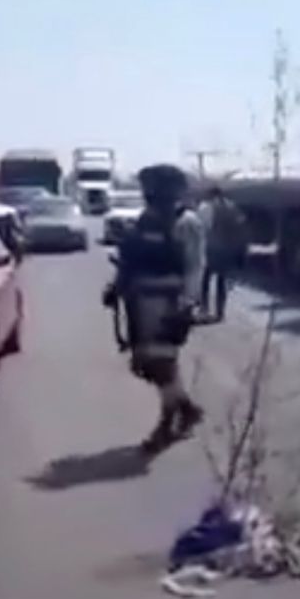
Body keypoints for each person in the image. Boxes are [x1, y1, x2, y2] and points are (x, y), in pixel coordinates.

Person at [105, 164, 204, 454]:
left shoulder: (186, 222)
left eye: (155, 188)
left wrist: (188, 304)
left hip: (168, 304)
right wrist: (116, 287)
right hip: (139, 303)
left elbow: (195, 266)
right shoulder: (145, 220)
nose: (149, 193)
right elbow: (130, 261)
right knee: (149, 364)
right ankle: (186, 409)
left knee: (162, 365)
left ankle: (167, 423)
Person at [198, 186, 248, 322]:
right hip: (226, 248)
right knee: (221, 281)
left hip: (212, 247)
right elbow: (241, 223)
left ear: (210, 195)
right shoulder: (232, 207)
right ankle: (220, 312)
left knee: (205, 278)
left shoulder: (207, 207)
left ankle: (204, 308)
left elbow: (203, 227)